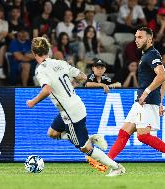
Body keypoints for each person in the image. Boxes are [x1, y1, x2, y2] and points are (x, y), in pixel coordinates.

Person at [86, 27, 165, 174]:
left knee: (143, 136)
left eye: (140, 37)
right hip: (142, 101)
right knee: (124, 133)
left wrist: (147, 93)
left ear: (149, 39)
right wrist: (161, 102)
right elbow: (162, 79)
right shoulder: (148, 55)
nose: (136, 40)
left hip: (145, 101)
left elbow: (162, 76)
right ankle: (105, 162)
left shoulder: (151, 54)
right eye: (136, 37)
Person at [26, 37, 125, 177]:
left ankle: (116, 167)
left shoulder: (40, 70)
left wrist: (33, 102)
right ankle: (89, 137)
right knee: (52, 133)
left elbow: (46, 90)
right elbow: (83, 76)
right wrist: (69, 86)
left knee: (85, 148)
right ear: (48, 50)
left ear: (34, 53)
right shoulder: (60, 62)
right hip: (76, 105)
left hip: (70, 113)